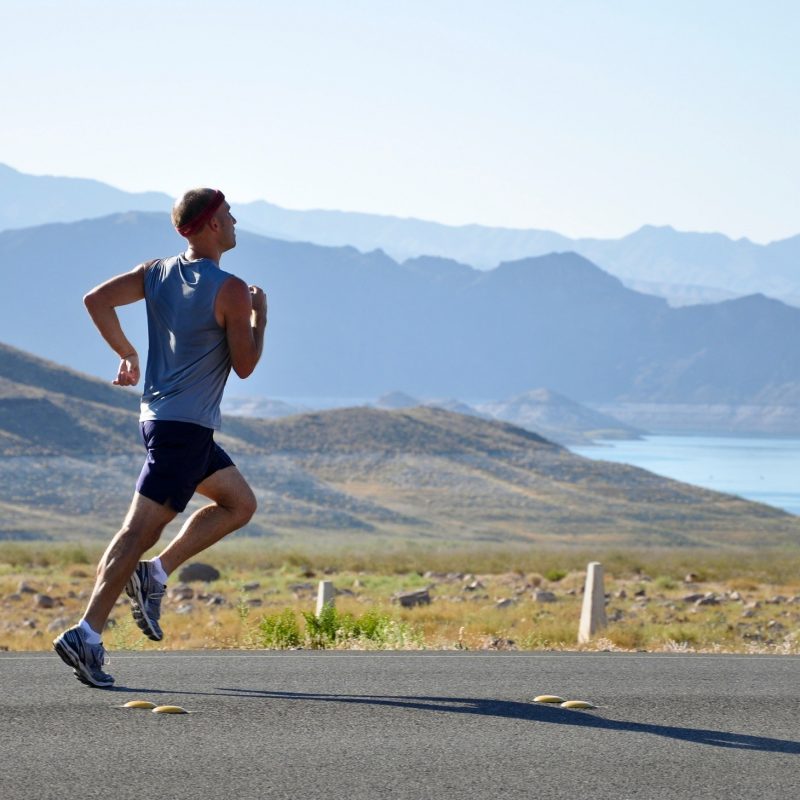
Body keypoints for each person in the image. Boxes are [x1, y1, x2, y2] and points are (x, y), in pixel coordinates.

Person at [53, 188, 267, 687]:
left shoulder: (156, 272)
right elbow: (246, 365)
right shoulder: (231, 289)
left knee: (239, 504)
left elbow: (96, 299)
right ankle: (86, 632)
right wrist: (260, 318)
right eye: (230, 217)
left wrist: (127, 352)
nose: (236, 224)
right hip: (183, 429)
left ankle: (155, 573)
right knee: (136, 532)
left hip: (164, 421)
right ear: (212, 224)